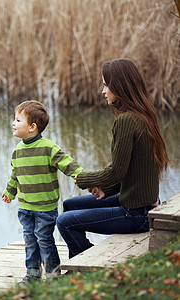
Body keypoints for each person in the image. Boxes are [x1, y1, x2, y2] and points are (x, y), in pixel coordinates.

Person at [56, 58, 170, 259]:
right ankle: (79, 261)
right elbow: (129, 172)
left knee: (65, 222)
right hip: (140, 203)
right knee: (70, 206)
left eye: (106, 85)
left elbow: (116, 171)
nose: (103, 91)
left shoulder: (126, 121)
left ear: (120, 86)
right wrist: (104, 189)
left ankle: (87, 261)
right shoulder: (144, 116)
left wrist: (85, 179)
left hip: (137, 214)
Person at [2, 100, 84, 284]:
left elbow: (67, 163)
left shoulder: (48, 148)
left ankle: (53, 275)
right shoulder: (17, 151)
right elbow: (15, 174)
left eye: (17, 120)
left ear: (32, 127)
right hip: (25, 207)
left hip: (45, 208)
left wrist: (82, 177)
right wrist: (10, 192)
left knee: (44, 240)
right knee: (30, 240)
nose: (13, 123)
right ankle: (32, 274)